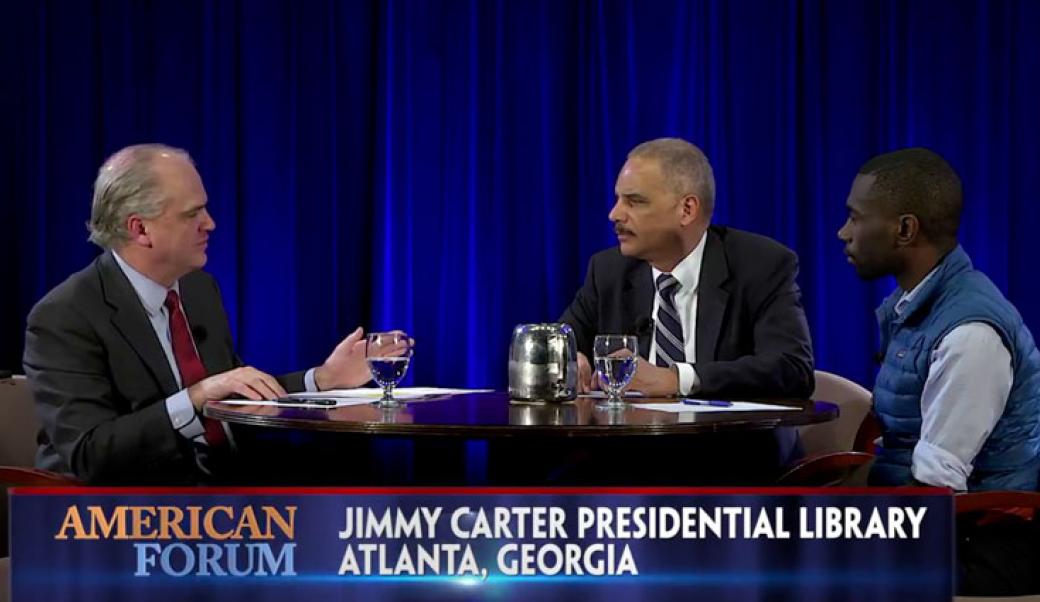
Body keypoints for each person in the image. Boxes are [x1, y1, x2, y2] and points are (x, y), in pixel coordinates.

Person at [23, 144, 375, 485]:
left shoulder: (198, 290)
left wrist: (323, 379)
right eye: (193, 214)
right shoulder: (65, 316)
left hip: (226, 489)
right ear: (140, 229)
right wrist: (195, 397)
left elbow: (234, 394)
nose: (211, 224)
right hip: (126, 512)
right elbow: (90, 455)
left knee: (362, 485)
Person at [838, 147, 1040, 595]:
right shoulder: (916, 308)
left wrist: (840, 529)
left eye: (855, 218)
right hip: (941, 522)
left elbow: (934, 491)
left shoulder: (969, 332)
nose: (843, 232)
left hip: (985, 541)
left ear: (905, 229)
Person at [560, 137, 814, 399]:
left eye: (634, 201)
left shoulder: (759, 265)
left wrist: (676, 379)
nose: (615, 214)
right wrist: (570, 358)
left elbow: (792, 369)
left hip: (731, 437)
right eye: (618, 199)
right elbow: (560, 343)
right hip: (631, 437)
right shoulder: (608, 271)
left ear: (687, 209)